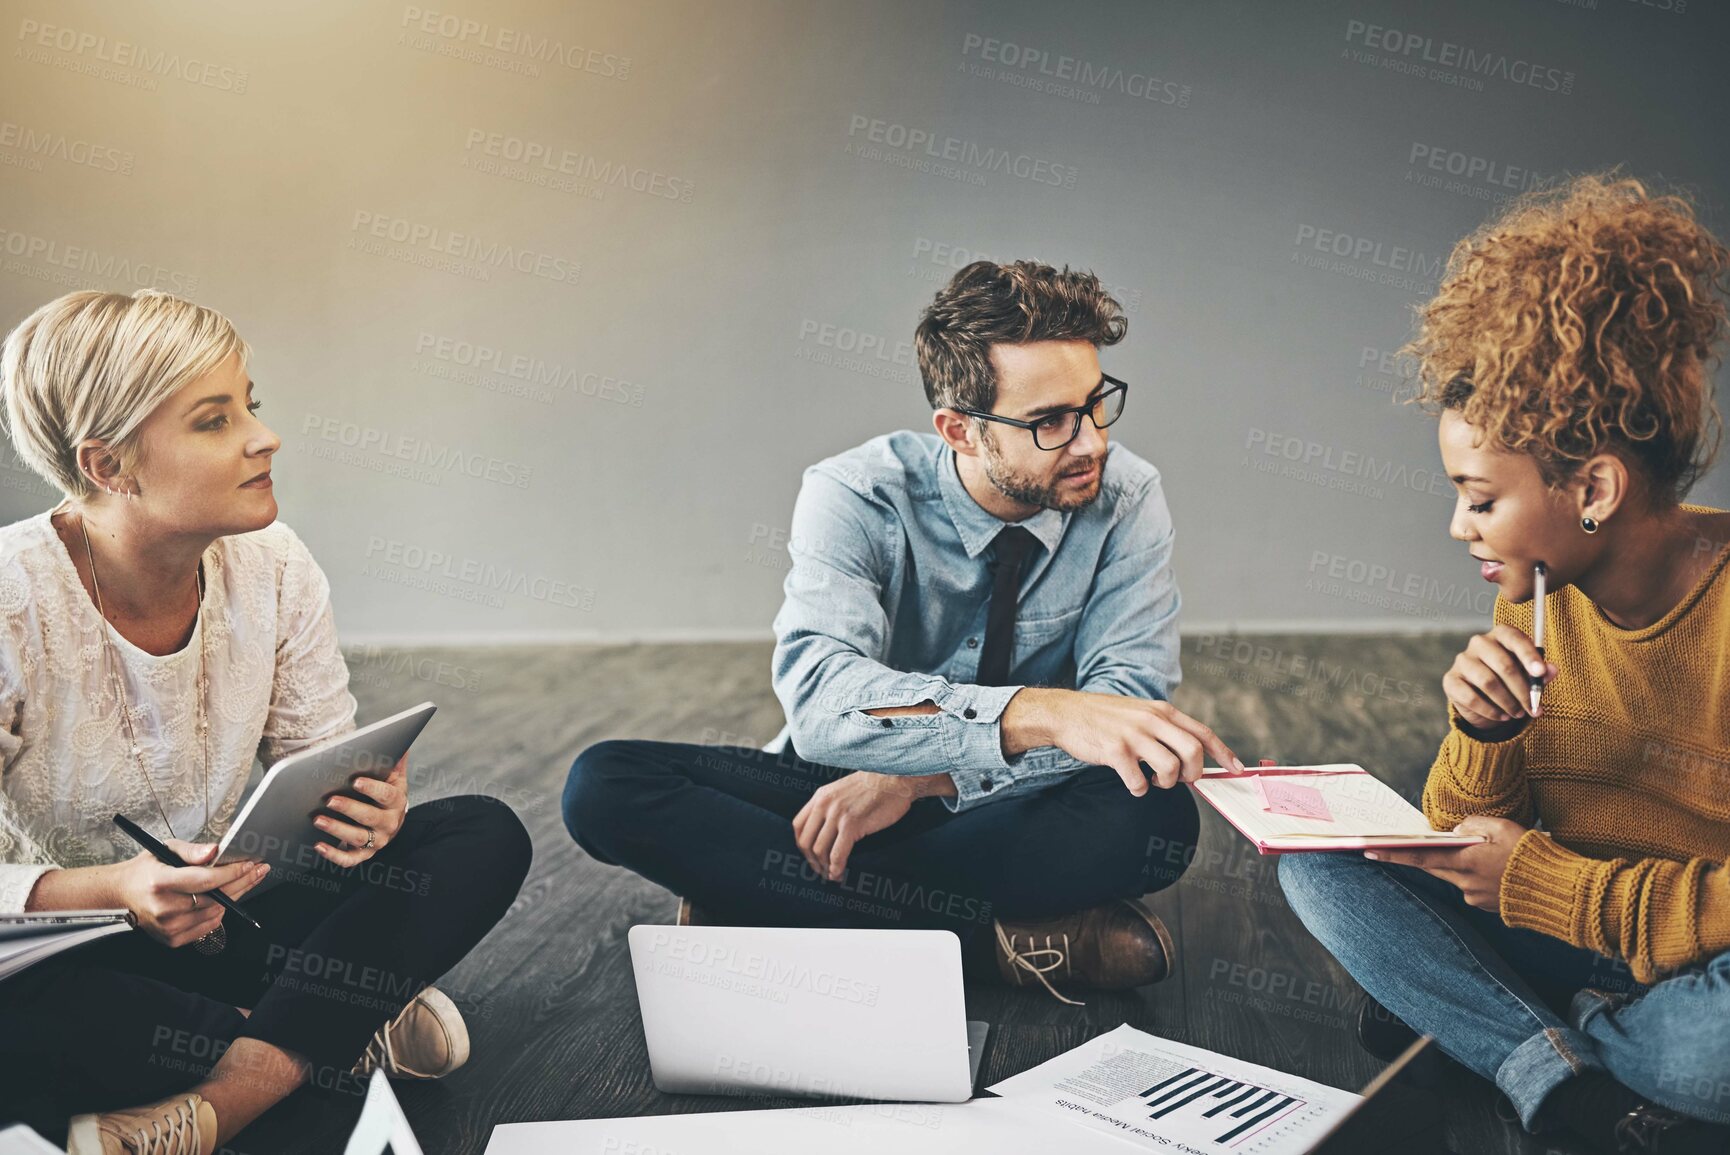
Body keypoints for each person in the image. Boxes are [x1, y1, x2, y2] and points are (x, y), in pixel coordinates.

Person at [565, 260, 1241, 1003]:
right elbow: (822, 705)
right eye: (1049, 420)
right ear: (960, 430)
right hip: (835, 791)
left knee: (1157, 816)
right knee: (604, 784)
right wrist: (1043, 710)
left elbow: (1126, 710)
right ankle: (994, 946)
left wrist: (919, 778)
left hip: (993, 801)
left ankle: (772, 906)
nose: (1090, 443)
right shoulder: (854, 493)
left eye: (1095, 403)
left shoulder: (1127, 496)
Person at [0, 289, 533, 1153]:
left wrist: (368, 812)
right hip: (71, 947)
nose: (263, 435)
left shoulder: (275, 565)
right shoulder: (11, 598)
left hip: (234, 916)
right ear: (107, 465)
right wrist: (118, 891)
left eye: (251, 404)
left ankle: (233, 1091)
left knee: (481, 832)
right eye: (214, 420)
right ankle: (332, 1025)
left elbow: (322, 763)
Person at [1279, 176, 1730, 1155]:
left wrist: (1546, 887)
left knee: (1712, 1049)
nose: (1457, 526)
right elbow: (1462, 836)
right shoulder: (1535, 591)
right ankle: (1556, 1076)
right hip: (1566, 922)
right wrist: (1481, 737)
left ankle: (1498, 1029)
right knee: (1314, 862)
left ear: (1593, 487)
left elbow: (1520, 874)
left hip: (1698, 961)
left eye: (1478, 498)